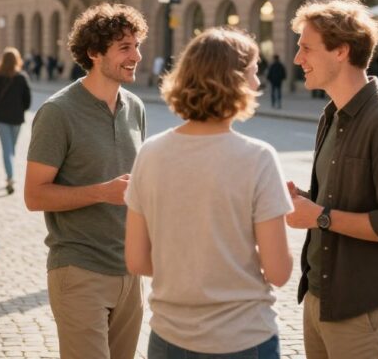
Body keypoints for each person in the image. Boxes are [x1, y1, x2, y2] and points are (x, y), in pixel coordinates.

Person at [124, 28, 293, 359]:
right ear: (234, 81)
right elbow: (278, 271)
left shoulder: (150, 153)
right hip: (243, 337)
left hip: (169, 338)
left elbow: (136, 259)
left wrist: (189, 272)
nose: (258, 84)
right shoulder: (258, 158)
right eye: (253, 72)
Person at [286, 0, 378, 359]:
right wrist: (303, 200)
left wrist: (319, 216)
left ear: (341, 51)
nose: (297, 59)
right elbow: (336, 203)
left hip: (364, 309)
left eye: (306, 48)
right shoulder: (331, 115)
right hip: (320, 297)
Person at [24, 2, 148, 359]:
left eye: (137, 45)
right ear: (94, 52)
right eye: (125, 47)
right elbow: (34, 196)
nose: (137, 56)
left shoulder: (135, 108)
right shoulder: (57, 113)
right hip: (79, 270)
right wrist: (102, 193)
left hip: (130, 271)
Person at [0, 47, 32, 195]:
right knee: (11, 149)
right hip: (17, 118)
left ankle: (10, 177)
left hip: (2, 118)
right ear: (17, 60)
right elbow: (28, 101)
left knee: (8, 150)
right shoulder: (22, 77)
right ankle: (11, 176)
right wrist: (20, 109)